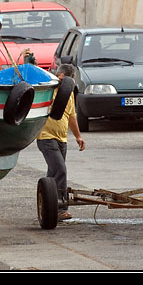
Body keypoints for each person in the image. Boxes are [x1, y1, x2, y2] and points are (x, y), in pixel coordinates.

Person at [36, 64, 86, 220]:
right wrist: (57, 80)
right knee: (61, 170)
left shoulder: (69, 94)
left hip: (61, 139)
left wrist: (78, 136)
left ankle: (47, 209)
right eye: (68, 80)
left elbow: (72, 117)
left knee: (52, 174)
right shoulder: (48, 90)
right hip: (46, 137)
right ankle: (60, 209)